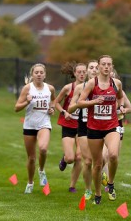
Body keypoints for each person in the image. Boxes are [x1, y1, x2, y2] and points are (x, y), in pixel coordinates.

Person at [77, 55, 126, 205]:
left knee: (113, 155)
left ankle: (110, 184)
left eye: (109, 65)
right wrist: (94, 101)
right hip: (94, 128)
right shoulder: (92, 83)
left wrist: (121, 106)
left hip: (111, 126)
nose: (106, 67)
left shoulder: (116, 83)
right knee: (97, 164)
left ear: (111, 67)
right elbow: (80, 102)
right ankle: (97, 193)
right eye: (103, 64)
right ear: (98, 67)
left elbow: (120, 97)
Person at [14, 63, 56, 194]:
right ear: (32, 75)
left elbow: (53, 101)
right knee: (31, 158)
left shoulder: (50, 88)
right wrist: (27, 101)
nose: (39, 74)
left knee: (43, 149)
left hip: (44, 123)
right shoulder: (27, 88)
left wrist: (52, 108)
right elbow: (16, 108)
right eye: (36, 72)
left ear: (45, 75)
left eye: (41, 72)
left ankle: (41, 170)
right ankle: (30, 182)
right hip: (29, 125)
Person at [67, 60, 99, 201]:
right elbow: (70, 108)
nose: (93, 70)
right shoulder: (80, 88)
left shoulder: (108, 86)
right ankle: (88, 189)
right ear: (86, 71)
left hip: (102, 127)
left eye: (96, 67)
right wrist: (80, 104)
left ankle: (103, 178)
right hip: (85, 127)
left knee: (102, 159)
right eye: (90, 68)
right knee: (87, 161)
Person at [53, 62, 86, 193]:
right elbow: (56, 103)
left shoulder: (90, 87)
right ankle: (65, 158)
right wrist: (64, 112)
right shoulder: (68, 88)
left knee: (79, 157)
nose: (82, 74)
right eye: (79, 72)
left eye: (84, 72)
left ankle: (72, 186)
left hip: (82, 126)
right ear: (74, 73)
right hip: (68, 125)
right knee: (71, 158)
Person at [101, 68, 131, 189]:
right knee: (103, 156)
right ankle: (100, 173)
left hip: (117, 126)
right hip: (103, 125)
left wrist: (123, 109)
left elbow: (130, 108)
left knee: (113, 156)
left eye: (113, 76)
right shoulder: (100, 90)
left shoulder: (121, 93)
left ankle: (109, 183)